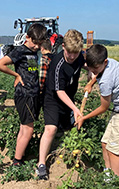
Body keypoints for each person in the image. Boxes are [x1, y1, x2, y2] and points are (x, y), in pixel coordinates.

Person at [76, 44, 119, 176]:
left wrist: (84, 117)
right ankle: (108, 174)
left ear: (104, 62)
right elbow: (98, 73)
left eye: (95, 69)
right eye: (90, 69)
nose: (93, 72)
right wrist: (90, 83)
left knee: (114, 151)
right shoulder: (110, 62)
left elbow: (104, 107)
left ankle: (116, 183)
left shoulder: (106, 80)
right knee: (105, 143)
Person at [37, 29, 91, 180]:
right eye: (69, 52)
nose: (73, 56)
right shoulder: (58, 64)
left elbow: (86, 65)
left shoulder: (78, 56)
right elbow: (59, 91)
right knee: (51, 128)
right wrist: (75, 108)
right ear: (63, 48)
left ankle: (67, 153)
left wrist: (91, 76)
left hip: (69, 97)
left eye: (76, 52)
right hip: (53, 99)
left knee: (69, 128)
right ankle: (41, 164)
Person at [0, 23, 47, 166]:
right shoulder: (20, 50)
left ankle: (19, 156)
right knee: (28, 128)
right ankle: (17, 161)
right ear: (27, 37)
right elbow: (1, 64)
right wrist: (16, 75)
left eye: (40, 44)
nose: (37, 46)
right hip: (25, 94)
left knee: (24, 127)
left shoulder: (33, 52)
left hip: (32, 94)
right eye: (35, 43)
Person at [39, 39, 53, 106]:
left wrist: (40, 89)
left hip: (46, 89)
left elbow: (43, 76)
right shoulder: (55, 58)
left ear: (42, 48)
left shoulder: (44, 58)